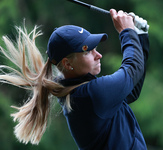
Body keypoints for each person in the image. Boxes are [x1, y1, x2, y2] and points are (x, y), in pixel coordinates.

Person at [0, 9, 149, 149]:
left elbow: (131, 90)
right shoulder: (92, 95)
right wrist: (127, 31)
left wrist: (140, 35)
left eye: (95, 49)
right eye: (88, 51)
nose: (98, 55)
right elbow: (133, 68)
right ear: (67, 63)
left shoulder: (82, 92)